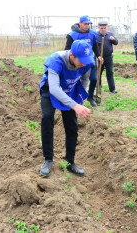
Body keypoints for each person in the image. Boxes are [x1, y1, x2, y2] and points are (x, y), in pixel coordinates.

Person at [39, 40, 93, 177]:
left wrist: (79, 101)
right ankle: (48, 159)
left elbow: (84, 81)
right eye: (81, 61)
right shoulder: (55, 60)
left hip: (70, 89)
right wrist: (74, 105)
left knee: (72, 126)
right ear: (72, 56)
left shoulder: (86, 63)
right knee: (47, 118)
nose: (84, 64)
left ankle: (70, 162)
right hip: (51, 90)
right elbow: (54, 89)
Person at [65, 15, 103, 107]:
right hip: (77, 63)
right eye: (85, 24)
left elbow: (94, 45)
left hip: (89, 61)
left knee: (93, 79)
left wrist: (98, 55)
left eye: (88, 24)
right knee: (78, 81)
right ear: (80, 23)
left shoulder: (92, 34)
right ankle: (77, 100)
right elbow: (67, 49)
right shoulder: (72, 35)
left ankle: (90, 97)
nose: (87, 26)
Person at [96, 21, 118, 93]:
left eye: (104, 28)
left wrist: (113, 40)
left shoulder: (110, 34)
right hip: (99, 58)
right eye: (101, 28)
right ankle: (98, 88)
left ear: (106, 27)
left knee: (110, 72)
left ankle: (112, 89)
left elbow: (116, 43)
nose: (103, 29)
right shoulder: (96, 35)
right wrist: (98, 56)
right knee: (98, 73)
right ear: (99, 27)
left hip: (108, 57)